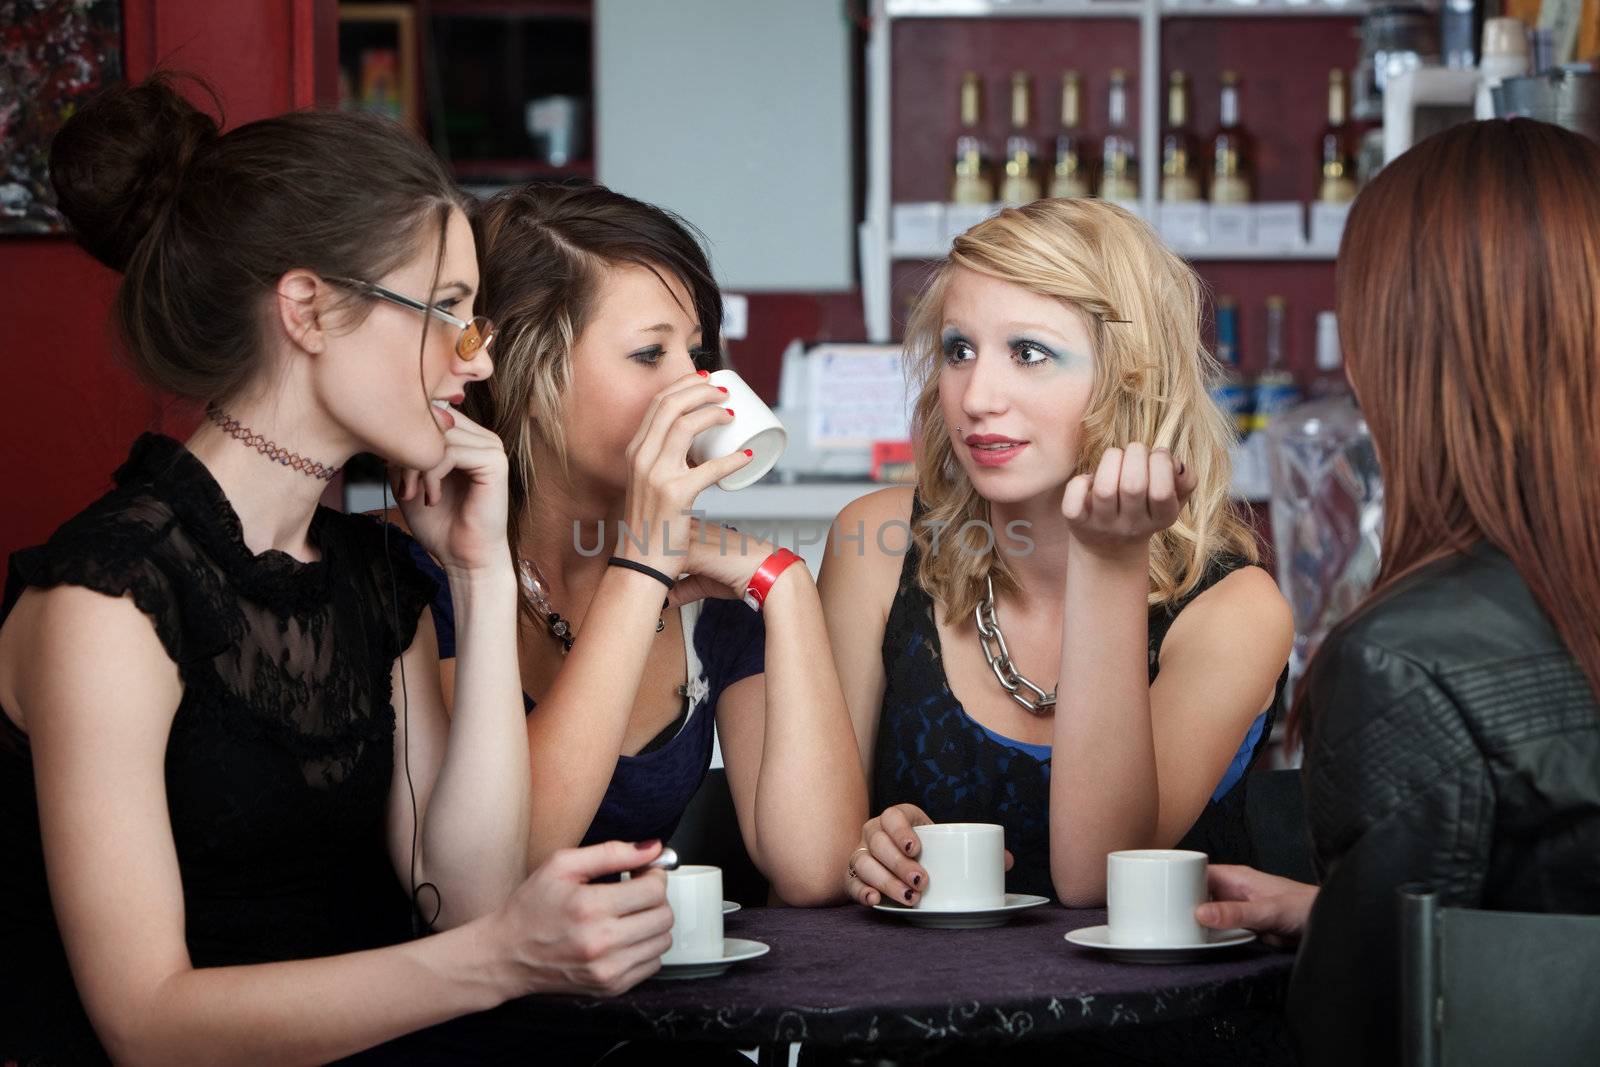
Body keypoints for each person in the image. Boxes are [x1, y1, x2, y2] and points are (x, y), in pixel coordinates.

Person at [0, 76, 673, 1067]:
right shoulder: (107, 594)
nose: (475, 361)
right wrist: (499, 959)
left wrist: (481, 580)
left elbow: (467, 896)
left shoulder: (374, 573)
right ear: (308, 309)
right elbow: (144, 1019)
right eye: (447, 309)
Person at [1194, 119, 1600, 1066]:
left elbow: (1368, 1035)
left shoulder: (1406, 657)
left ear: (1402, 346)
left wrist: (1357, 952)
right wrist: (1348, 919)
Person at [821, 197, 1294, 908]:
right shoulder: (876, 548)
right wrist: (868, 849)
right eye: (959, 350)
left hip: (1149, 1014)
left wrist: (1108, 562)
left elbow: (1096, 876)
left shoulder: (1235, 608)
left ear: (1132, 374)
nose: (977, 396)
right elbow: (806, 865)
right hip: (916, 1006)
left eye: (1029, 353)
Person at [404, 182, 866, 905]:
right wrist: (642, 560)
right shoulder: (419, 571)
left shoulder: (709, 590)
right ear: (527, 374)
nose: (702, 387)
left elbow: (816, 867)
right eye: (651, 354)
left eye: (698, 353)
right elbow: (503, 867)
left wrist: (786, 582)